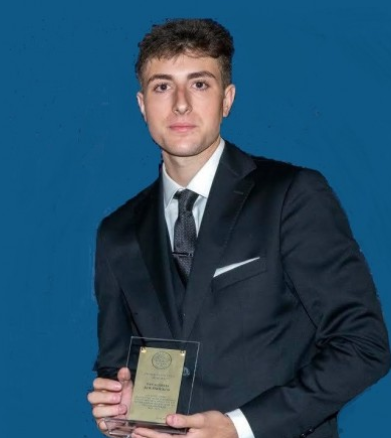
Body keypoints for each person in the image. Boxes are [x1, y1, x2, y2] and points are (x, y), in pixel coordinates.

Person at [87, 18, 390, 438]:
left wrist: (240, 427)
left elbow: (363, 345)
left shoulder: (291, 196)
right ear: (142, 104)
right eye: (162, 87)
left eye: (199, 84)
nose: (180, 104)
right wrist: (119, 413)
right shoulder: (117, 233)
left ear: (226, 99)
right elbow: (118, 369)